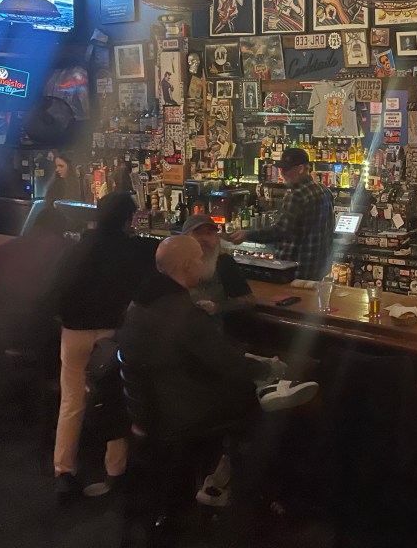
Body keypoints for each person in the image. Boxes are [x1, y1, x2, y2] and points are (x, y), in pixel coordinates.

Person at [118, 236, 316, 510]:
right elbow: (228, 365)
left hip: (153, 406)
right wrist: (266, 367)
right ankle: (244, 489)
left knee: (254, 387)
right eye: (199, 258)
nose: (203, 262)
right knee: (262, 404)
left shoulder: (141, 302)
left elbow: (195, 355)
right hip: (181, 409)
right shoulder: (181, 312)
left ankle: (224, 475)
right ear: (188, 265)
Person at [50, 193, 157, 501]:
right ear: (127, 219)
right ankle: (115, 470)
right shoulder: (135, 250)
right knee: (116, 400)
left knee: (71, 402)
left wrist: (65, 317)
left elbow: (55, 290)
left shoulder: (76, 249)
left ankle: (64, 471)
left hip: (74, 332)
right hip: (113, 334)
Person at [0, 208, 70, 387]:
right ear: (61, 230)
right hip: (44, 339)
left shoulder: (4, 249)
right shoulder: (66, 251)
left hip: (1, 335)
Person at [228, 148, 334, 281]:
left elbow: (279, 231)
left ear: (300, 169)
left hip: (294, 269)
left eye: (286, 169)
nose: (282, 173)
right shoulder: (324, 190)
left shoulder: (296, 194)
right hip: (318, 268)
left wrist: (247, 234)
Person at [180, 214, 255, 326]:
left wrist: (217, 307)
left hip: (211, 333)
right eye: (197, 233)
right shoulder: (175, 261)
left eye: (209, 233)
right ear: (185, 238)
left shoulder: (224, 262)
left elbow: (248, 301)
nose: (204, 238)